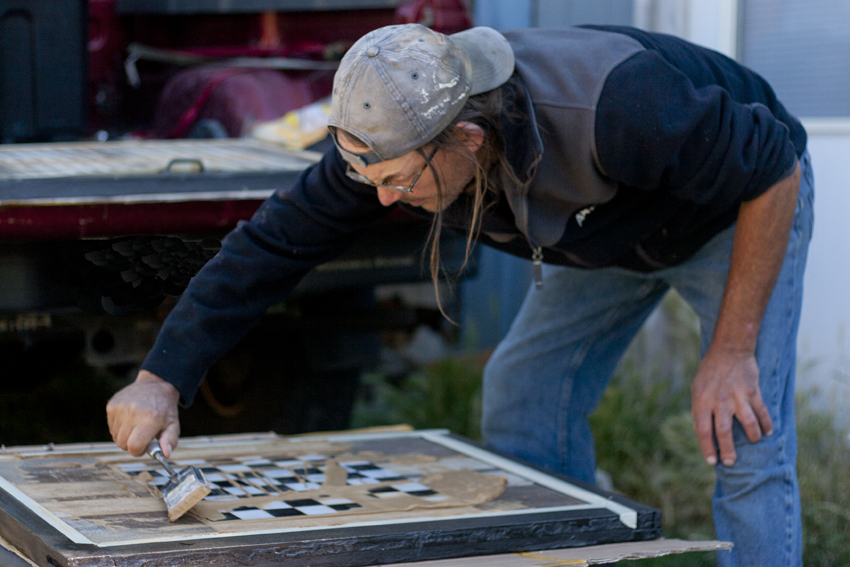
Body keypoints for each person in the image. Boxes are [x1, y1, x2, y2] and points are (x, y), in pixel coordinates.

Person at [107, 23, 812, 567]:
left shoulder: (620, 103)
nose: (382, 198)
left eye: (399, 182)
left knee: (740, 430)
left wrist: (732, 348)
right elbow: (271, 244)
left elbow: (773, 169)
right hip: (606, 230)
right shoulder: (396, 133)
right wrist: (162, 375)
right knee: (522, 391)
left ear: (467, 139)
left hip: (737, 213)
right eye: (371, 179)